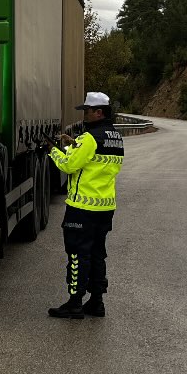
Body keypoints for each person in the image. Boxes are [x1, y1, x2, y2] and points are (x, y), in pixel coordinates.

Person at [46, 91, 124, 319]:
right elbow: (91, 160)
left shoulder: (90, 138)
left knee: (78, 255)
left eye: (87, 112)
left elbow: (69, 166)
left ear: (99, 112)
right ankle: (97, 302)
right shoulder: (115, 137)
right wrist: (73, 144)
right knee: (98, 254)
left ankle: (75, 302)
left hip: (82, 208)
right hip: (105, 207)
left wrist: (53, 151)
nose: (84, 116)